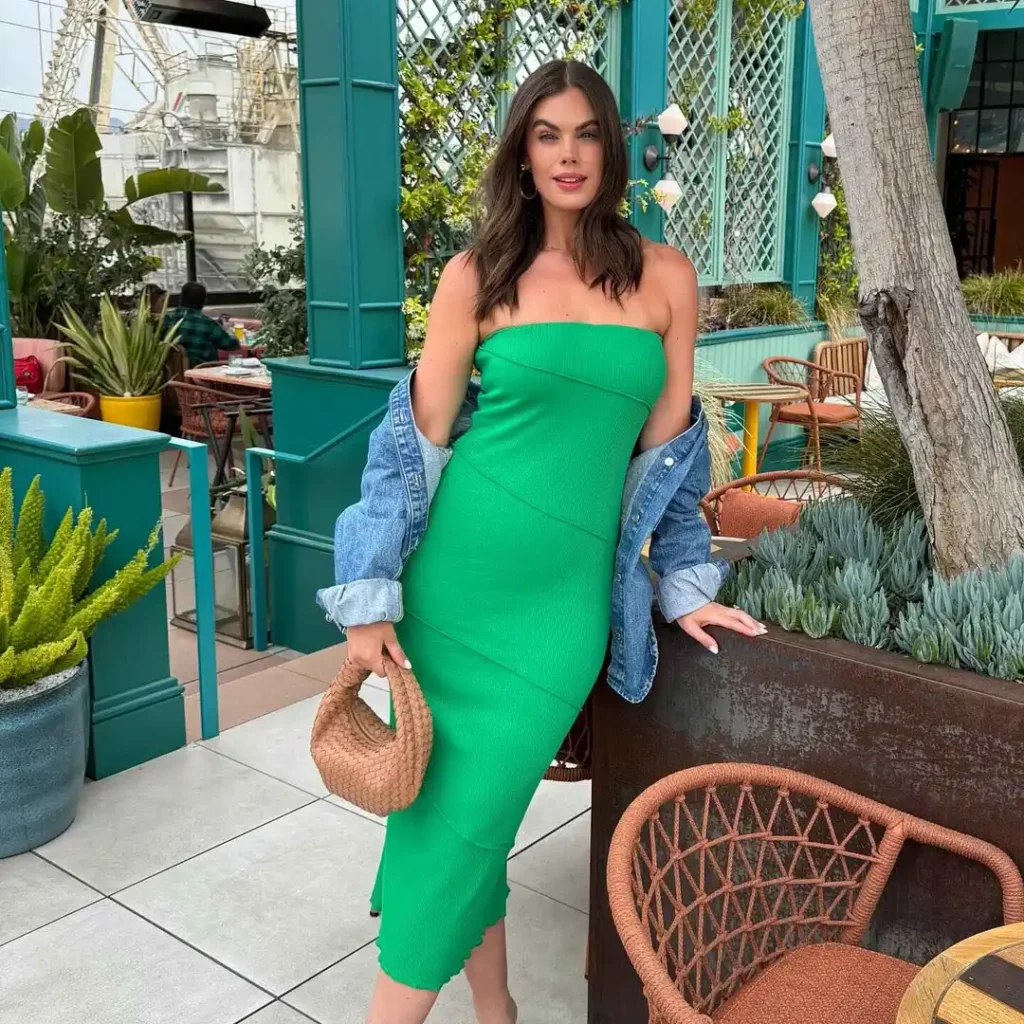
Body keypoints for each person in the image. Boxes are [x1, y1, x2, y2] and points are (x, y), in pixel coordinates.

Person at [316, 60, 764, 1024]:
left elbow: (675, 464)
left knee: (462, 823)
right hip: (451, 594)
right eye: (547, 135)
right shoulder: (478, 276)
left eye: (587, 134)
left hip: (557, 620)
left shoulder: (666, 278)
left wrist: (684, 586)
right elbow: (414, 448)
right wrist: (369, 596)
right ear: (522, 154)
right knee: (451, 826)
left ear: (613, 148)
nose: (568, 155)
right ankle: (497, 1012)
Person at [163, 281, 239, 366]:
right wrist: (227, 329)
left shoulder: (166, 318)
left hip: (171, 375)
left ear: (181, 298)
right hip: (201, 375)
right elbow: (232, 345)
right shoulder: (208, 324)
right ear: (203, 301)